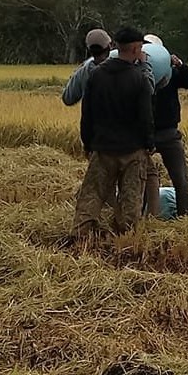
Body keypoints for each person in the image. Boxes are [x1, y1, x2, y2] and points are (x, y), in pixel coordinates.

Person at [73, 27, 155, 241]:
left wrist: (87, 143)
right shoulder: (139, 79)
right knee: (130, 200)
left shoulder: (96, 75)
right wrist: (149, 143)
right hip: (132, 150)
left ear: (116, 47)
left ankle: (81, 236)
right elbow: (146, 117)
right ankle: (125, 242)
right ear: (136, 48)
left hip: (102, 147)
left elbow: (87, 113)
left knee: (91, 195)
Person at [143, 33, 188, 217]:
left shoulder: (168, 72)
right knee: (179, 179)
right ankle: (184, 216)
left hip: (157, 133)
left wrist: (180, 65)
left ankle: (146, 216)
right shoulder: (143, 73)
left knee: (145, 179)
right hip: (156, 133)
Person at [61, 28, 114, 105]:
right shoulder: (121, 67)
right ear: (109, 46)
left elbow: (67, 99)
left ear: (88, 49)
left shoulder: (83, 72)